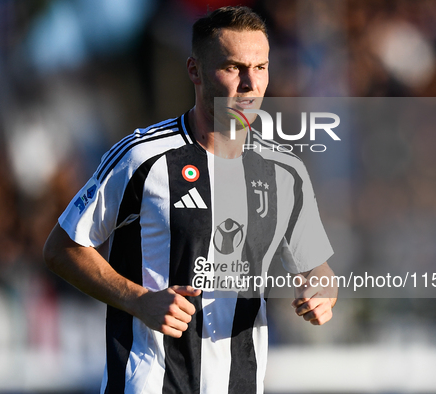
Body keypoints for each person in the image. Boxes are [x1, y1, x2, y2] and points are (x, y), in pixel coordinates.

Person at [43, 6, 337, 394]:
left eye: (261, 67)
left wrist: (320, 295)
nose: (250, 83)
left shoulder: (284, 171)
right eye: (234, 67)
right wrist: (140, 300)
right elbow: (62, 248)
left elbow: (319, 271)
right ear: (195, 71)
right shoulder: (141, 157)